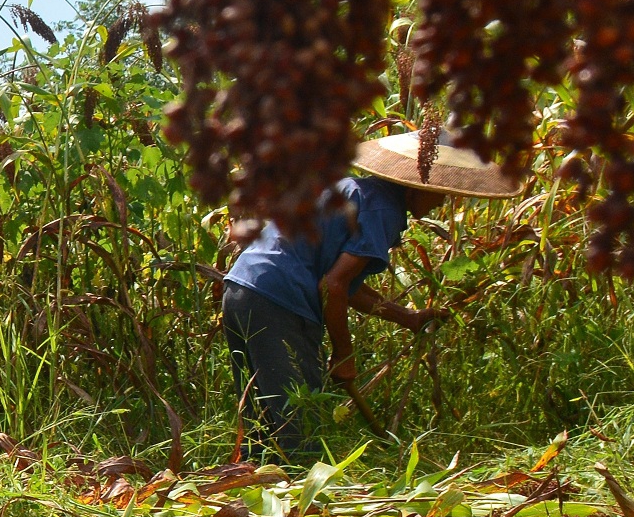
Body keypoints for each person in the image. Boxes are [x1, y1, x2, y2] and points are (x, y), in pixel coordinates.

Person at [219, 131, 518, 459]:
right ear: (418, 187)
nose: (441, 202)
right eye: (439, 193)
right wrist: (344, 355)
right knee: (299, 423)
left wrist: (407, 317)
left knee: (263, 419)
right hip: (279, 300)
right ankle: (297, 485)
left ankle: (254, 482)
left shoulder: (358, 192)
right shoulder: (382, 210)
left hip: (241, 290)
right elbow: (333, 286)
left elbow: (346, 285)